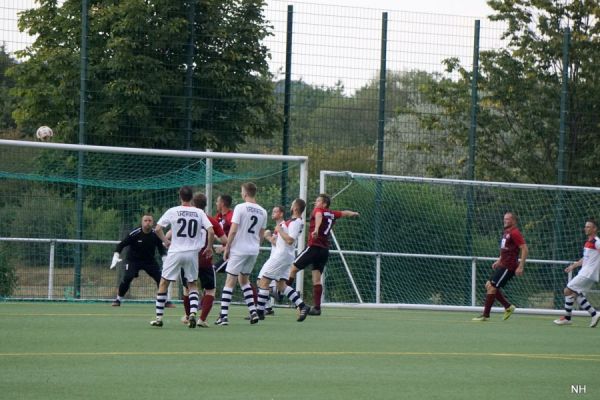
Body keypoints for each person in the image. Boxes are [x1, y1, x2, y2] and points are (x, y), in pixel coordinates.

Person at [150, 186, 214, 328]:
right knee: (192, 284)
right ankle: (192, 313)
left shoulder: (173, 211)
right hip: (192, 253)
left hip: (176, 252)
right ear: (191, 198)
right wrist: (209, 247)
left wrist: (166, 241)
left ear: (180, 197)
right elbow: (210, 230)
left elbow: (158, 228)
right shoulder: (199, 212)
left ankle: (159, 318)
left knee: (164, 283)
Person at [286, 193, 359, 316]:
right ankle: (317, 308)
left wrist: (316, 229)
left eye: (318, 200)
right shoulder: (332, 213)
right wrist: (354, 213)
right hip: (324, 250)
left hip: (314, 247)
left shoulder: (318, 210)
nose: (316, 202)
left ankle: (283, 291)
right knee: (317, 279)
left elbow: (319, 216)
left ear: (324, 204)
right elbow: (344, 213)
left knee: (292, 269)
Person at [215, 182, 267, 326]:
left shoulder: (240, 207)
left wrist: (227, 247)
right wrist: (256, 246)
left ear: (244, 193)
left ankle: (223, 316)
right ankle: (253, 312)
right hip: (253, 250)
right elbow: (261, 235)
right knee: (244, 280)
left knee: (230, 281)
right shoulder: (263, 211)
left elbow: (233, 230)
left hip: (239, 249)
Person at [256, 199, 311, 322]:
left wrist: (279, 230)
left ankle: (260, 312)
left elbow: (290, 240)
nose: (290, 205)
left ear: (295, 208)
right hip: (286, 255)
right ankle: (302, 306)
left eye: (292, 204)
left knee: (263, 281)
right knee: (281, 285)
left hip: (282, 255)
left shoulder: (296, 222)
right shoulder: (293, 222)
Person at [178, 193, 227, 327]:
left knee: (187, 288)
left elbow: (171, 235)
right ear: (205, 205)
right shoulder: (211, 220)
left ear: (193, 204)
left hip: (188, 258)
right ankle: (202, 319)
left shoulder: (186, 218)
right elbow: (225, 241)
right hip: (205, 259)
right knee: (210, 290)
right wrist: (219, 247)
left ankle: (188, 316)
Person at [109, 214, 174, 308]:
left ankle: (165, 301)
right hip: (133, 261)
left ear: (153, 223)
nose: (147, 223)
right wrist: (116, 256)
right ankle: (118, 299)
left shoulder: (156, 234)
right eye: (145, 220)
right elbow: (121, 244)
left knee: (161, 278)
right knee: (128, 277)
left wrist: (165, 258)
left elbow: (161, 248)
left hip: (149, 261)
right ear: (142, 222)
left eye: (150, 221)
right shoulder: (135, 233)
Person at [473, 212, 528, 321]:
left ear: (514, 221)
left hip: (509, 266)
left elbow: (525, 248)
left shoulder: (515, 233)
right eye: (504, 219)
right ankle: (508, 307)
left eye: (508, 219)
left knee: (492, 288)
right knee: (489, 285)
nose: (505, 221)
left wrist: (521, 266)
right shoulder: (506, 232)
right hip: (503, 264)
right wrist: (499, 260)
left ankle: (485, 315)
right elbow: (506, 249)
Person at [554, 218, 600, 328]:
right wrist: (573, 266)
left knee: (567, 290)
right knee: (575, 294)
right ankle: (594, 314)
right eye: (585, 226)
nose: (586, 228)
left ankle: (567, 318)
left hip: (588, 273)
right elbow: (585, 259)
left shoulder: (596, 241)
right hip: (587, 273)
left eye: (588, 227)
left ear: (595, 229)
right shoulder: (588, 242)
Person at [213, 194, 234, 273]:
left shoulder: (230, 217)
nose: (216, 203)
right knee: (242, 279)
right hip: (229, 252)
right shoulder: (219, 216)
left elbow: (237, 234)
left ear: (222, 204)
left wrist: (225, 248)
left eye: (217, 201)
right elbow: (212, 230)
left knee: (213, 270)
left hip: (234, 252)